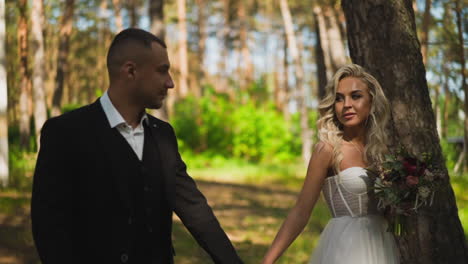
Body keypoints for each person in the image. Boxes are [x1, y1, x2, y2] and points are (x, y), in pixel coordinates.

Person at [31, 28, 243, 264]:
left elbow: (196, 211)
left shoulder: (163, 135)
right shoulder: (66, 133)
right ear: (130, 71)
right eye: (162, 71)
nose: (170, 83)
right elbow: (49, 229)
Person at [262, 64, 399, 264]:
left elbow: (388, 213)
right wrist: (268, 261)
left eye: (356, 96)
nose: (346, 105)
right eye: (339, 98)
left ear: (371, 101)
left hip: (381, 246)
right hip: (345, 248)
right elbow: (301, 210)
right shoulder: (328, 150)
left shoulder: (382, 152)